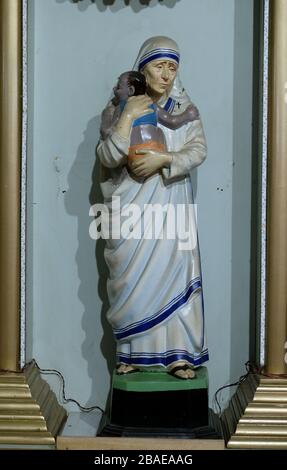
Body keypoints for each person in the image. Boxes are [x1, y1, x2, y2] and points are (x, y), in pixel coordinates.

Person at [97, 36, 208, 379]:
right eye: (159, 66)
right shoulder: (120, 108)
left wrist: (165, 158)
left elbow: (198, 150)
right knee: (132, 279)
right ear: (143, 69)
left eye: (172, 67)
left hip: (171, 206)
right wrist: (127, 115)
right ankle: (131, 351)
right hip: (131, 209)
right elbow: (107, 156)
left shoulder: (183, 111)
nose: (166, 74)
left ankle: (178, 354)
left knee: (174, 275)